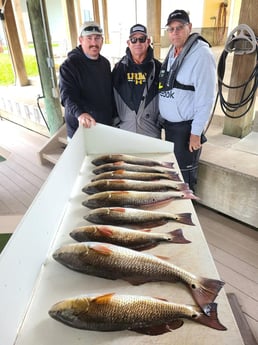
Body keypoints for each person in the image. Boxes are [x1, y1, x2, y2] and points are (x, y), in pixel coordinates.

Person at [158, 10, 216, 191]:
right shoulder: (174, 50)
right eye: (171, 29)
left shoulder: (201, 54)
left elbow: (206, 97)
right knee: (172, 172)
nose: (175, 32)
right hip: (171, 127)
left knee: (184, 176)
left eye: (180, 28)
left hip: (186, 130)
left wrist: (196, 133)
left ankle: (187, 212)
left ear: (189, 27)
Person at [59, 21, 115, 139]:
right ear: (81, 40)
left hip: (104, 128)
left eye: (97, 38)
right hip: (80, 129)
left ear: (102, 40)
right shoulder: (69, 65)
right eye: (89, 38)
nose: (94, 43)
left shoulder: (105, 63)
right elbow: (66, 96)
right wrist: (80, 113)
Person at [112, 24, 162, 138]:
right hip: (124, 133)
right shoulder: (118, 69)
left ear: (148, 41)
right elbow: (110, 97)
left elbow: (167, 97)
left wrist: (160, 122)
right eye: (133, 40)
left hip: (151, 132)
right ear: (128, 43)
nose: (138, 43)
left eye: (142, 39)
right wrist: (115, 122)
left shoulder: (159, 68)